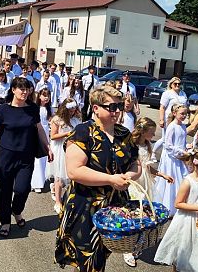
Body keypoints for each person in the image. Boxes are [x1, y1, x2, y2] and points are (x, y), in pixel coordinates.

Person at [55, 86, 141, 272]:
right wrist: (111, 179)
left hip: (115, 207)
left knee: (102, 256)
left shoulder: (123, 134)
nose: (117, 111)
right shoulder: (82, 132)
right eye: (111, 107)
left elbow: (136, 163)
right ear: (95, 108)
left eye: (119, 106)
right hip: (86, 206)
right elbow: (74, 171)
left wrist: (129, 175)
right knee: (91, 261)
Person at [0, 77, 54, 238]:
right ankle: (5, 222)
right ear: (13, 90)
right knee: (4, 191)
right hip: (6, 156)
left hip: (26, 156)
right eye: (21, 88)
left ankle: (17, 210)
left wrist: (47, 146)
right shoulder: (3, 110)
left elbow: (39, 129)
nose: (25, 92)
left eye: (27, 89)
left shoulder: (33, 109)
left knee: (22, 189)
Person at [124, 117, 173, 267]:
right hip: (134, 182)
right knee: (133, 213)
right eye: (151, 132)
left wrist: (161, 174)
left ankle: (137, 243)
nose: (153, 135)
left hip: (146, 183)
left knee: (144, 213)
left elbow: (148, 167)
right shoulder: (131, 144)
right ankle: (128, 249)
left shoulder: (147, 144)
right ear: (143, 131)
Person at [153, 103, 190, 217]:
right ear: (174, 113)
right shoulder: (172, 127)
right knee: (172, 180)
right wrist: (180, 152)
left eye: (185, 114)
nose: (184, 116)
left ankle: (180, 202)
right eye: (182, 114)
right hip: (171, 159)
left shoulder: (183, 126)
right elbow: (168, 145)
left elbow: (182, 141)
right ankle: (168, 206)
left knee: (182, 179)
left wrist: (187, 147)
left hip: (179, 158)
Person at [47, 98, 81, 214]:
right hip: (60, 148)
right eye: (70, 110)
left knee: (72, 174)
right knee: (59, 176)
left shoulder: (76, 119)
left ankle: (70, 198)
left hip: (72, 148)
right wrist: (68, 134)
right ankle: (58, 201)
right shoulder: (57, 119)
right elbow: (53, 136)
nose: (72, 112)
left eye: (74, 109)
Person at [31, 88, 52, 193]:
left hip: (46, 133)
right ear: (39, 96)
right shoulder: (36, 108)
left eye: (48, 95)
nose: (46, 97)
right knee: (37, 159)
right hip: (37, 133)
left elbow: (50, 121)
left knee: (43, 158)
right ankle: (35, 183)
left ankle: (41, 180)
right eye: (44, 95)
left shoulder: (49, 109)